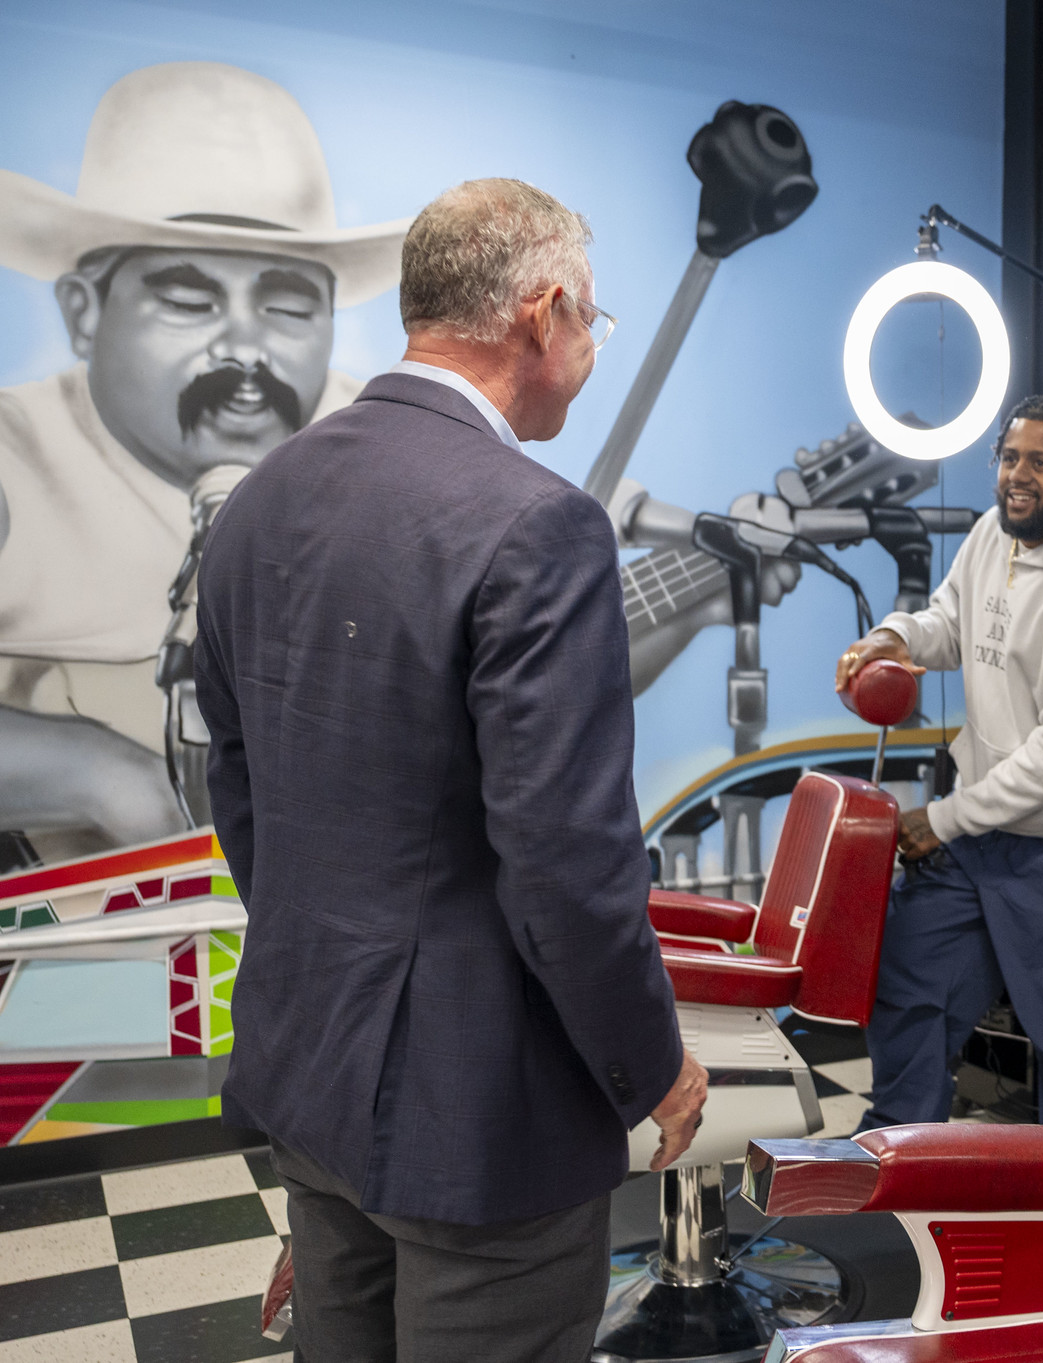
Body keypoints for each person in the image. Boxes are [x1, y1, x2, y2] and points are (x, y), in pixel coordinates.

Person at [194, 180, 705, 1363]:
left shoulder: (262, 499)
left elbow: (241, 789)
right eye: (592, 324)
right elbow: (566, 863)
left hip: (307, 1058)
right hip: (481, 1120)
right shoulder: (539, 523)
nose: (589, 353)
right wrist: (652, 1066)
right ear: (543, 314)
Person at [0, 62, 411, 859]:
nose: (245, 346)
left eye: (288, 303)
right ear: (85, 314)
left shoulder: (383, 450)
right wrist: (100, 773)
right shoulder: (14, 461)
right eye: (189, 300)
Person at [834, 396, 1043, 1159]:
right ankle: (891, 1158)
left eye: (1038, 462)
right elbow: (950, 621)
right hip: (981, 828)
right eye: (1008, 458)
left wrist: (943, 818)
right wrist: (892, 635)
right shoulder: (994, 535)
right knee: (913, 984)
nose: (1016, 476)